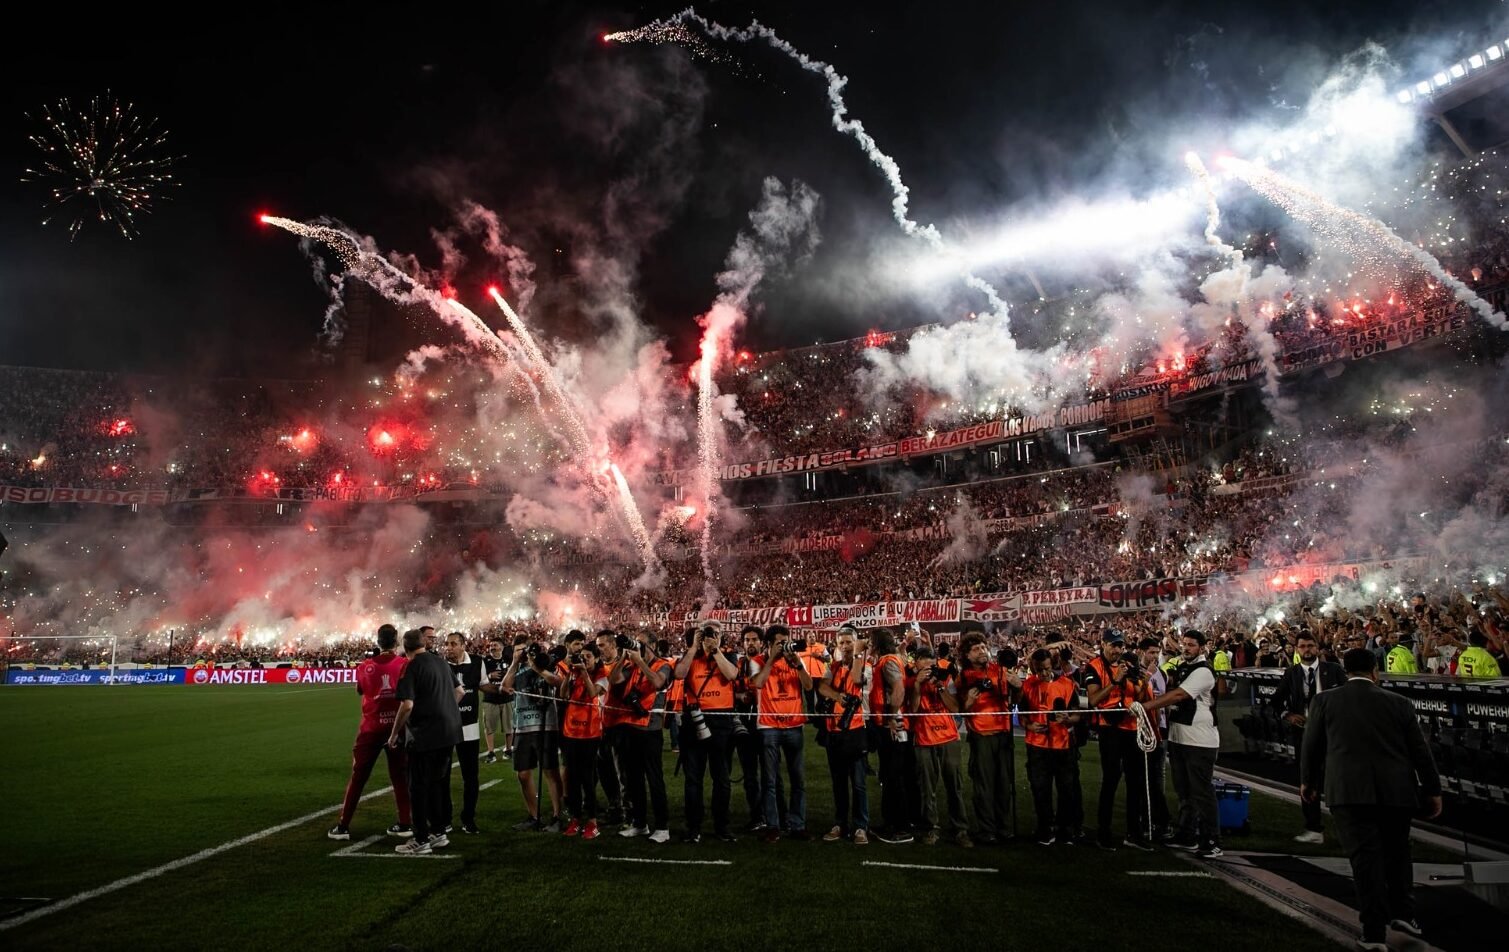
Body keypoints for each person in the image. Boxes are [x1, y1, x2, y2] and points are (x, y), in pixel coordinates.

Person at [1301, 648, 1442, 950]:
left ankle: (1374, 932)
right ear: (1375, 670)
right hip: (1396, 791)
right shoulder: (1399, 703)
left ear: (1344, 669)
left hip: (1348, 792)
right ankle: (1404, 912)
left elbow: (1311, 747)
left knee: (1365, 861)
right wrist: (1433, 789)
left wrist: (1308, 782)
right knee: (1398, 852)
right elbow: (1421, 751)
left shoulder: (1324, 700)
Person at [1136, 630, 1223, 859]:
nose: (1186, 648)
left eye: (1191, 645)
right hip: (1179, 736)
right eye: (1184, 644)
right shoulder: (1183, 668)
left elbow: (1178, 696)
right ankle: (1187, 834)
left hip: (1199, 739)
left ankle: (1211, 839)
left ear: (1202, 647)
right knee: (1184, 790)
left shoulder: (1203, 671)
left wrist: (1146, 707)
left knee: (1201, 791)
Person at [328, 623, 412, 841]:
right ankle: (405, 823)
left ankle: (343, 826)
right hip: (397, 727)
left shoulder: (365, 666)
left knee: (358, 778)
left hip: (371, 728)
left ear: (377, 641)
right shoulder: (404, 664)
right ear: (396, 641)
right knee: (400, 777)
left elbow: (360, 690)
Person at [388, 627, 462, 855]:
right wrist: (444, 711)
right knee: (437, 784)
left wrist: (393, 734)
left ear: (405, 646)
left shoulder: (411, 666)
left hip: (425, 735)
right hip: (449, 732)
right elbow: (460, 691)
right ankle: (439, 833)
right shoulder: (440, 662)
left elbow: (407, 705)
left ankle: (421, 839)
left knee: (418, 787)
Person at [1267, 630, 1346, 843]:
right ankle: (1313, 828)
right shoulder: (1292, 673)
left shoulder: (1334, 670)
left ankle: (1346, 827)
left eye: (1310, 646)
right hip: (1304, 734)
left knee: (1339, 779)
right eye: (1302, 646)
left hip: (1333, 734)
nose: (1306, 650)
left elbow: (1347, 698)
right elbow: (1275, 702)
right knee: (1307, 779)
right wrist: (1288, 715)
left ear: (1317, 648)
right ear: (1296, 649)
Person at [1081, 628, 1152, 850]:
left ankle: (1134, 832)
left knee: (1136, 782)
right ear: (1103, 644)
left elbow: (1137, 697)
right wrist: (1115, 681)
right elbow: (1093, 701)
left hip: (1131, 727)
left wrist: (1143, 683)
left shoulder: (1128, 665)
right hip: (1109, 729)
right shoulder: (1094, 667)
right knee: (1111, 780)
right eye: (1113, 645)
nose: (1117, 649)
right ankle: (1104, 832)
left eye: (1120, 645)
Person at [602, 629, 671, 843]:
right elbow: (613, 680)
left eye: (641, 643)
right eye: (636, 643)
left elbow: (658, 683)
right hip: (630, 728)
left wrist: (640, 661)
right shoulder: (631, 665)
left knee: (654, 779)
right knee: (634, 780)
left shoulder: (663, 664)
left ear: (651, 645)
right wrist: (624, 656)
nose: (637, 646)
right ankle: (640, 823)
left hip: (650, 730)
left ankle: (662, 827)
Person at [673, 625, 740, 843]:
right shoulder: (690, 655)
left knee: (721, 777)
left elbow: (731, 675)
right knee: (693, 778)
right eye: (708, 636)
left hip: (721, 719)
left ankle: (722, 826)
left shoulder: (729, 654)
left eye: (716, 635)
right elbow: (679, 674)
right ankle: (693, 827)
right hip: (694, 719)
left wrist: (715, 650)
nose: (712, 639)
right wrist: (694, 648)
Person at [749, 624, 813, 842]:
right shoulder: (757, 661)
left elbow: (809, 686)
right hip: (769, 726)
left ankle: (797, 825)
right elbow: (758, 683)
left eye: (786, 641)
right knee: (769, 780)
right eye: (779, 643)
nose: (785, 646)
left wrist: (799, 666)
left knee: (798, 780)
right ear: (768, 644)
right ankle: (773, 825)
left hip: (794, 725)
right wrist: (772, 659)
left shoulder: (794, 660)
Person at [908, 643, 971, 847]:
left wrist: (940, 686)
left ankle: (960, 829)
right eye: (925, 667)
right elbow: (914, 710)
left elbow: (955, 708)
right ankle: (930, 828)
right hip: (924, 737)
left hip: (948, 736)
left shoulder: (946, 679)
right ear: (916, 665)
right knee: (927, 787)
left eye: (932, 667)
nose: (929, 671)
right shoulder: (910, 681)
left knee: (955, 785)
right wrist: (918, 684)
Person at [1020, 647, 1083, 846]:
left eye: (1046, 669)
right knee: (1040, 789)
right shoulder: (1028, 685)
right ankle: (1044, 829)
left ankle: (1065, 830)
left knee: (1066, 789)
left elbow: (1077, 715)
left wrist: (1067, 720)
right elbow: (1021, 715)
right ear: (1033, 668)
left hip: (1063, 745)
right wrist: (1030, 725)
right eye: (1040, 670)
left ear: (1052, 665)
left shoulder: (1067, 684)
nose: (1044, 673)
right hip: (1037, 746)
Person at [501, 634, 565, 832]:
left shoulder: (545, 663)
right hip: (522, 726)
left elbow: (559, 682)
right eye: (517, 650)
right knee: (523, 774)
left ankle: (556, 816)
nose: (521, 653)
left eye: (524, 649)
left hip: (545, 725)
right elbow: (505, 687)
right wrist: (514, 662)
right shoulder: (516, 668)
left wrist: (535, 665)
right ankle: (533, 815)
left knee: (550, 771)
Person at [957, 631, 1016, 845]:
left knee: (1004, 784)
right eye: (976, 649)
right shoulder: (963, 676)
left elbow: (1015, 700)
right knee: (984, 785)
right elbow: (960, 709)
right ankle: (987, 829)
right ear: (967, 655)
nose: (982, 651)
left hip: (1003, 733)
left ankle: (1004, 827)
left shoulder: (1000, 670)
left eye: (983, 647)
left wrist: (1017, 686)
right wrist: (970, 701)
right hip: (981, 735)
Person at [817, 627, 870, 844]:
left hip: (856, 730)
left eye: (849, 642)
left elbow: (857, 680)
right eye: (842, 643)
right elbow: (822, 687)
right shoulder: (834, 666)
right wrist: (838, 696)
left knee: (858, 783)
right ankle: (840, 823)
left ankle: (860, 826)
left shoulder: (865, 666)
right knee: (838, 782)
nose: (846, 647)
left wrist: (858, 655)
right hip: (834, 732)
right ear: (837, 645)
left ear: (856, 643)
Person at [867, 627, 916, 844]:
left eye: (870, 640)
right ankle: (890, 822)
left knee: (895, 776)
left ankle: (902, 827)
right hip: (889, 724)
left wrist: (892, 716)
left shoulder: (887, 662)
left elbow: (898, 688)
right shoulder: (891, 658)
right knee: (889, 775)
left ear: (876, 643)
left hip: (892, 726)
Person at [558, 640, 607, 840]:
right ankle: (576, 818)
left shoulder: (602, 675)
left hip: (590, 733)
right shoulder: (574, 674)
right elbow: (562, 695)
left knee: (588, 777)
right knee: (573, 778)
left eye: (588, 656)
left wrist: (584, 673)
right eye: (582, 656)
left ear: (596, 658)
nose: (584, 660)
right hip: (570, 732)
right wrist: (569, 674)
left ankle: (593, 820)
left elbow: (594, 692)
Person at [443, 632, 486, 834]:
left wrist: (502, 689)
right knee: (442, 776)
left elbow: (484, 685)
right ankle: (444, 818)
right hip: (445, 728)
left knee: (471, 777)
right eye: (447, 644)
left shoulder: (477, 662)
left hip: (469, 728)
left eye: (453, 644)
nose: (449, 647)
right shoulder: (441, 664)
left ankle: (468, 819)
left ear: (463, 645)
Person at [1136, 637, 1171, 841]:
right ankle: (1149, 819)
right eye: (1150, 652)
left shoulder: (1161, 672)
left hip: (1159, 731)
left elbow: (1163, 703)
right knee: (1144, 778)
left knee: (1155, 779)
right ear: (1141, 652)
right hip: (1144, 730)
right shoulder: (1138, 673)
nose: (1153, 657)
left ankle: (1160, 821)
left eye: (1156, 653)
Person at [480, 637, 514, 763]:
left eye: (495, 645)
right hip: (490, 698)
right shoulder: (485, 661)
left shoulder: (508, 660)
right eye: (491, 645)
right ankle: (491, 752)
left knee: (509, 726)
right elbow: (481, 678)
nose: (492, 647)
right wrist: (490, 675)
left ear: (501, 647)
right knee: (489, 726)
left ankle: (508, 750)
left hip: (507, 698)